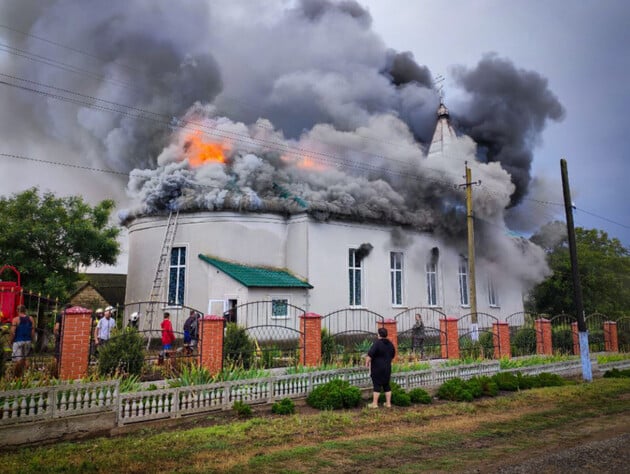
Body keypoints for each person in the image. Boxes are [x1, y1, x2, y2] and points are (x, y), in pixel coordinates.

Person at [365, 327, 396, 408]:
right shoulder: (390, 344)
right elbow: (393, 355)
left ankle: (374, 404)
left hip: (377, 368)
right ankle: (388, 403)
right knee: (386, 385)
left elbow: (370, 355)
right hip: (387, 368)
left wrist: (366, 363)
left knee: (377, 385)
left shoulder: (377, 343)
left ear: (379, 334)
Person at [10, 305, 35, 377]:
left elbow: (12, 332)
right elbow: (32, 331)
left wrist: (11, 341)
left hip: (18, 341)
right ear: (25, 310)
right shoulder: (31, 318)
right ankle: (27, 374)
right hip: (28, 340)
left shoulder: (15, 319)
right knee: (25, 358)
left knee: (17, 359)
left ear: (17, 311)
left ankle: (17, 375)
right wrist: (32, 340)